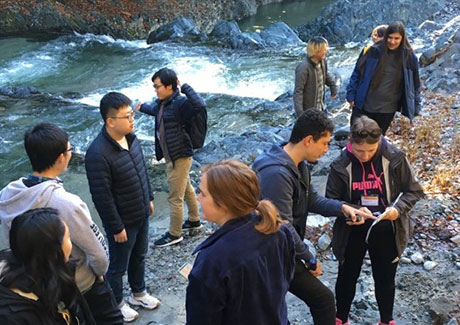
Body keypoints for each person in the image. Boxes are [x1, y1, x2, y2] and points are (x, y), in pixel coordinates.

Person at [252, 109, 374, 325]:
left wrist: (344, 207)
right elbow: (282, 225)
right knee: (288, 310)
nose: (327, 150)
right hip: (267, 255)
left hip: (283, 249)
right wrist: (308, 257)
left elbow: (312, 200)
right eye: (325, 143)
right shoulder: (276, 174)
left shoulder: (299, 164)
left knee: (320, 300)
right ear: (308, 140)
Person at [0, 123, 122, 324]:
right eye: (70, 149)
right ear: (60, 158)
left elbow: (13, 244)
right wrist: (99, 274)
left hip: (37, 286)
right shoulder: (66, 203)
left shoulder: (8, 195)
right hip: (78, 284)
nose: (71, 152)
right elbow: (96, 250)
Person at [326, 116, 424, 325]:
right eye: (360, 151)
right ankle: (340, 318)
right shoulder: (340, 163)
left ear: (379, 142)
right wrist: (349, 212)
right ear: (350, 142)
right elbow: (331, 200)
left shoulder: (394, 157)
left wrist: (397, 210)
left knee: (385, 277)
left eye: (371, 151)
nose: (365, 156)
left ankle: (386, 320)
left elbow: (414, 191)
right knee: (347, 274)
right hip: (353, 227)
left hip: (386, 225)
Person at [186, 160, 295, 325]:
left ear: (223, 203)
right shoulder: (278, 229)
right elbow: (286, 278)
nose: (197, 197)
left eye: (203, 193)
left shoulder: (212, 260)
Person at [85, 92, 159, 322]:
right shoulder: (97, 154)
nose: (132, 119)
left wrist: (149, 197)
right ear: (110, 121)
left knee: (140, 255)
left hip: (141, 212)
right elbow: (101, 196)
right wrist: (116, 227)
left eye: (132, 115)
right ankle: (116, 303)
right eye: (127, 116)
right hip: (122, 221)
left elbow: (142, 172)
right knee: (117, 266)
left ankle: (139, 293)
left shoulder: (131, 139)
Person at [136, 67, 206, 247]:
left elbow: (200, 105)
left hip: (180, 155)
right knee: (187, 187)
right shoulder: (163, 103)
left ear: (169, 87)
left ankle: (174, 234)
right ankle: (194, 220)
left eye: (157, 86)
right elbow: (156, 112)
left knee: (175, 197)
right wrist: (141, 107)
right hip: (172, 155)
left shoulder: (181, 103)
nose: (155, 89)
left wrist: (184, 87)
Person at [0, 208, 95, 324]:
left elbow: (82, 313)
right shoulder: (13, 316)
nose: (71, 244)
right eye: (68, 237)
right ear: (53, 252)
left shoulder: (58, 272)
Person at [346, 21, 421, 134]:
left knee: (377, 139)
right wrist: (351, 94)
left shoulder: (409, 57)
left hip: (387, 109)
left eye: (396, 38)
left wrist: (415, 106)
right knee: (357, 136)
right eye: (390, 37)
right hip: (364, 104)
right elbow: (357, 72)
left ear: (402, 38)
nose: (392, 41)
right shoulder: (373, 51)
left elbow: (415, 84)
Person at [293, 36, 338, 116]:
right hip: (310, 111)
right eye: (324, 49)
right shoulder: (303, 68)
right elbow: (298, 92)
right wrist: (300, 114)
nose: (326, 51)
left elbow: (326, 74)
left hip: (321, 106)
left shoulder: (323, 60)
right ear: (316, 51)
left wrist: (333, 87)